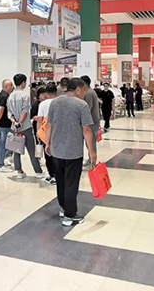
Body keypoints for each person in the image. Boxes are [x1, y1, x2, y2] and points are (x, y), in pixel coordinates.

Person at [45, 78, 97, 227]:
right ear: (78, 89)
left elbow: (49, 124)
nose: (85, 93)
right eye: (84, 90)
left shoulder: (55, 102)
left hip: (56, 150)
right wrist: (92, 151)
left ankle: (63, 207)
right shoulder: (81, 105)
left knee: (61, 182)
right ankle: (70, 215)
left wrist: (47, 143)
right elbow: (86, 129)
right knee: (71, 184)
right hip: (73, 152)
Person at [7, 74, 45, 179]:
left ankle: (19, 171)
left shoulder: (11, 96)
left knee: (16, 149)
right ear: (23, 83)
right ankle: (38, 172)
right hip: (25, 127)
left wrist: (15, 122)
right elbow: (24, 111)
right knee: (32, 150)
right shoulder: (25, 96)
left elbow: (9, 113)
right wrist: (20, 122)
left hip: (14, 127)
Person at [36, 83, 58, 185]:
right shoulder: (59, 102)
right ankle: (58, 174)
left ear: (46, 93)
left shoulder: (43, 104)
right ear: (56, 92)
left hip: (45, 132)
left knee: (48, 154)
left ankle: (52, 174)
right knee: (57, 154)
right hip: (57, 131)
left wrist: (38, 132)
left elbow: (39, 120)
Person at [0, 80, 14, 173]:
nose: (13, 87)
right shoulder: (5, 96)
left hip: (3, 124)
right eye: (11, 85)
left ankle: (2, 162)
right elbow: (0, 110)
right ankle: (0, 164)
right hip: (5, 124)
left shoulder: (0, 95)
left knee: (2, 144)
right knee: (3, 144)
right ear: (6, 86)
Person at [80, 76, 101, 163]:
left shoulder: (89, 93)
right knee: (90, 142)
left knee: (91, 142)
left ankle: (92, 161)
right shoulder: (91, 91)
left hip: (92, 121)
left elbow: (88, 108)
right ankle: (90, 159)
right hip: (94, 120)